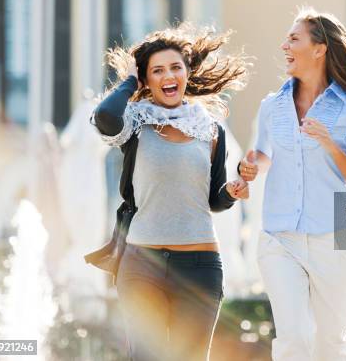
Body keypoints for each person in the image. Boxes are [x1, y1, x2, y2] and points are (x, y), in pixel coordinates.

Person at [92, 25, 249, 361]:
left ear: (187, 73)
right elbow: (104, 115)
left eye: (175, 67)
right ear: (146, 81)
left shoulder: (210, 129)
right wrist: (129, 82)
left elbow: (213, 200)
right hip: (141, 265)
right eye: (157, 70)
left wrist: (232, 192)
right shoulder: (134, 124)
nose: (169, 76)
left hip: (199, 267)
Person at [238, 7, 346, 361]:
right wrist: (250, 167)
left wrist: (330, 144)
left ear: (319, 49)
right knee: (294, 339)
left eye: (294, 38)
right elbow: (264, 155)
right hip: (279, 238)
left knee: (330, 344)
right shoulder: (272, 105)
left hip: (333, 241)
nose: (284, 44)